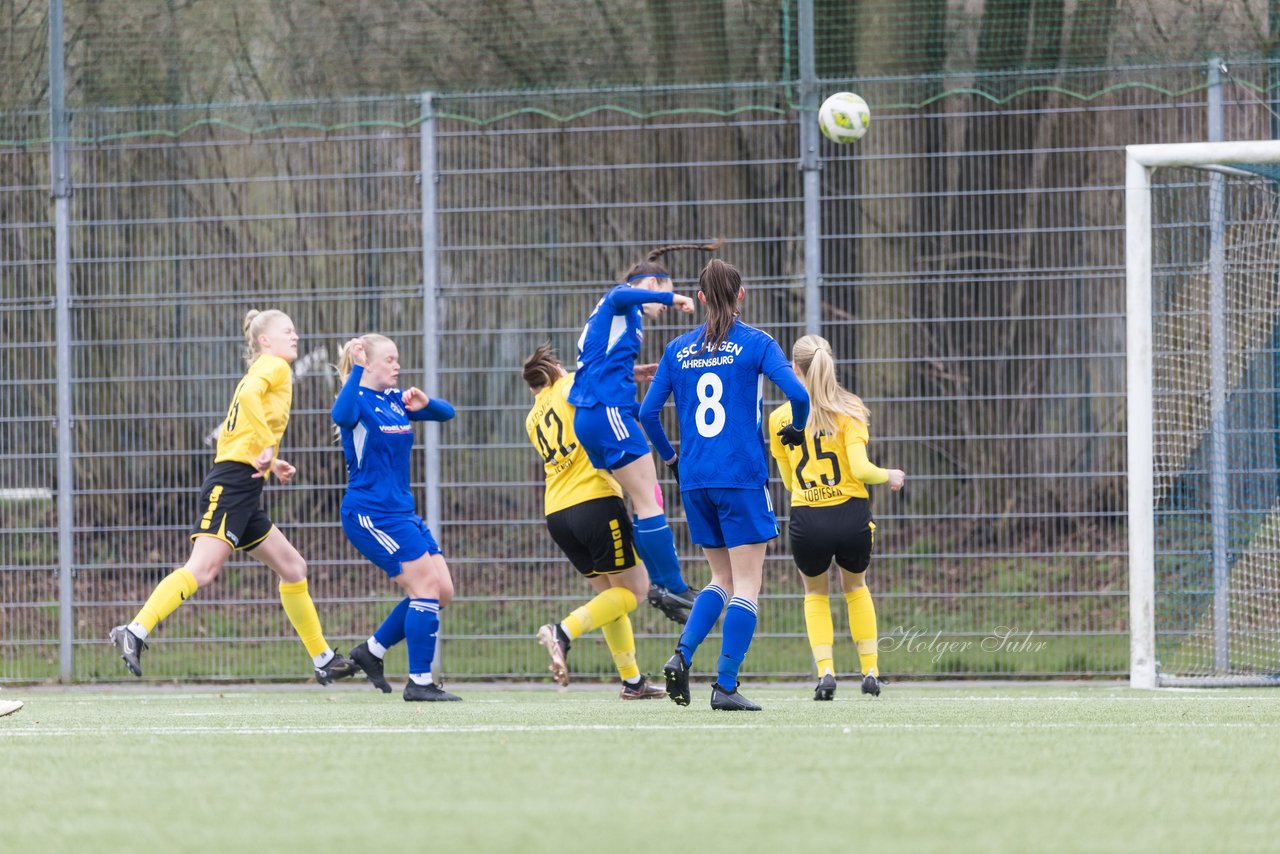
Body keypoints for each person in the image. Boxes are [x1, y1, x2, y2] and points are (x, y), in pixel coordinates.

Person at [109, 310, 358, 685]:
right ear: (264, 341)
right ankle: (135, 630)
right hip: (231, 485)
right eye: (286, 330)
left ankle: (323, 658)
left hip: (245, 490)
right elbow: (248, 396)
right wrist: (269, 450)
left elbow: (249, 409)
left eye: (295, 329)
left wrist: (271, 460)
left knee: (293, 568)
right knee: (203, 570)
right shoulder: (273, 365)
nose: (295, 335)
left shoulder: (272, 368)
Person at [639, 258, 811, 711]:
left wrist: (672, 458)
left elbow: (646, 414)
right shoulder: (756, 343)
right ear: (741, 295)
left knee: (720, 577)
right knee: (748, 585)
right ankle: (726, 685)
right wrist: (796, 427)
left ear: (698, 299)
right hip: (739, 475)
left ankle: (682, 653)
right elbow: (799, 395)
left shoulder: (677, 349)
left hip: (696, 479)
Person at [570, 242, 717, 624]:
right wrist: (673, 297)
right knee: (650, 499)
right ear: (651, 283)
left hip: (595, 414)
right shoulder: (623, 302)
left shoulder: (623, 321)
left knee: (643, 500)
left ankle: (661, 585)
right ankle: (672, 585)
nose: (661, 309)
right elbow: (621, 291)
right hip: (607, 413)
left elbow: (594, 361)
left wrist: (631, 374)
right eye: (660, 295)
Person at [524, 344, 666, 700]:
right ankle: (562, 631)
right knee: (635, 591)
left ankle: (632, 682)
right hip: (595, 502)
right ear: (555, 368)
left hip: (558, 514)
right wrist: (628, 375)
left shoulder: (532, 417)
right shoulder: (569, 384)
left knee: (610, 596)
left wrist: (624, 375)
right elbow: (594, 386)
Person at [768, 335, 905, 700]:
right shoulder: (850, 409)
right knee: (856, 589)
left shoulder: (779, 418)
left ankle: (826, 671)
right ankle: (871, 671)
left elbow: (785, 478)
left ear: (794, 370)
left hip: (807, 517)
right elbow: (860, 469)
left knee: (815, 595)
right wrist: (888, 474)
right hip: (851, 517)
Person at [334, 334, 462, 702]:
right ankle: (419, 682)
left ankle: (371, 651)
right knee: (424, 589)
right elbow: (340, 416)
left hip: (401, 512)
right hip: (370, 514)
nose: (397, 365)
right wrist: (356, 369)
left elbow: (446, 413)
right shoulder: (356, 398)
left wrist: (426, 402)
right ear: (368, 364)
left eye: (397, 359)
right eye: (389, 359)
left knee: (443, 592)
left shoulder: (394, 400)